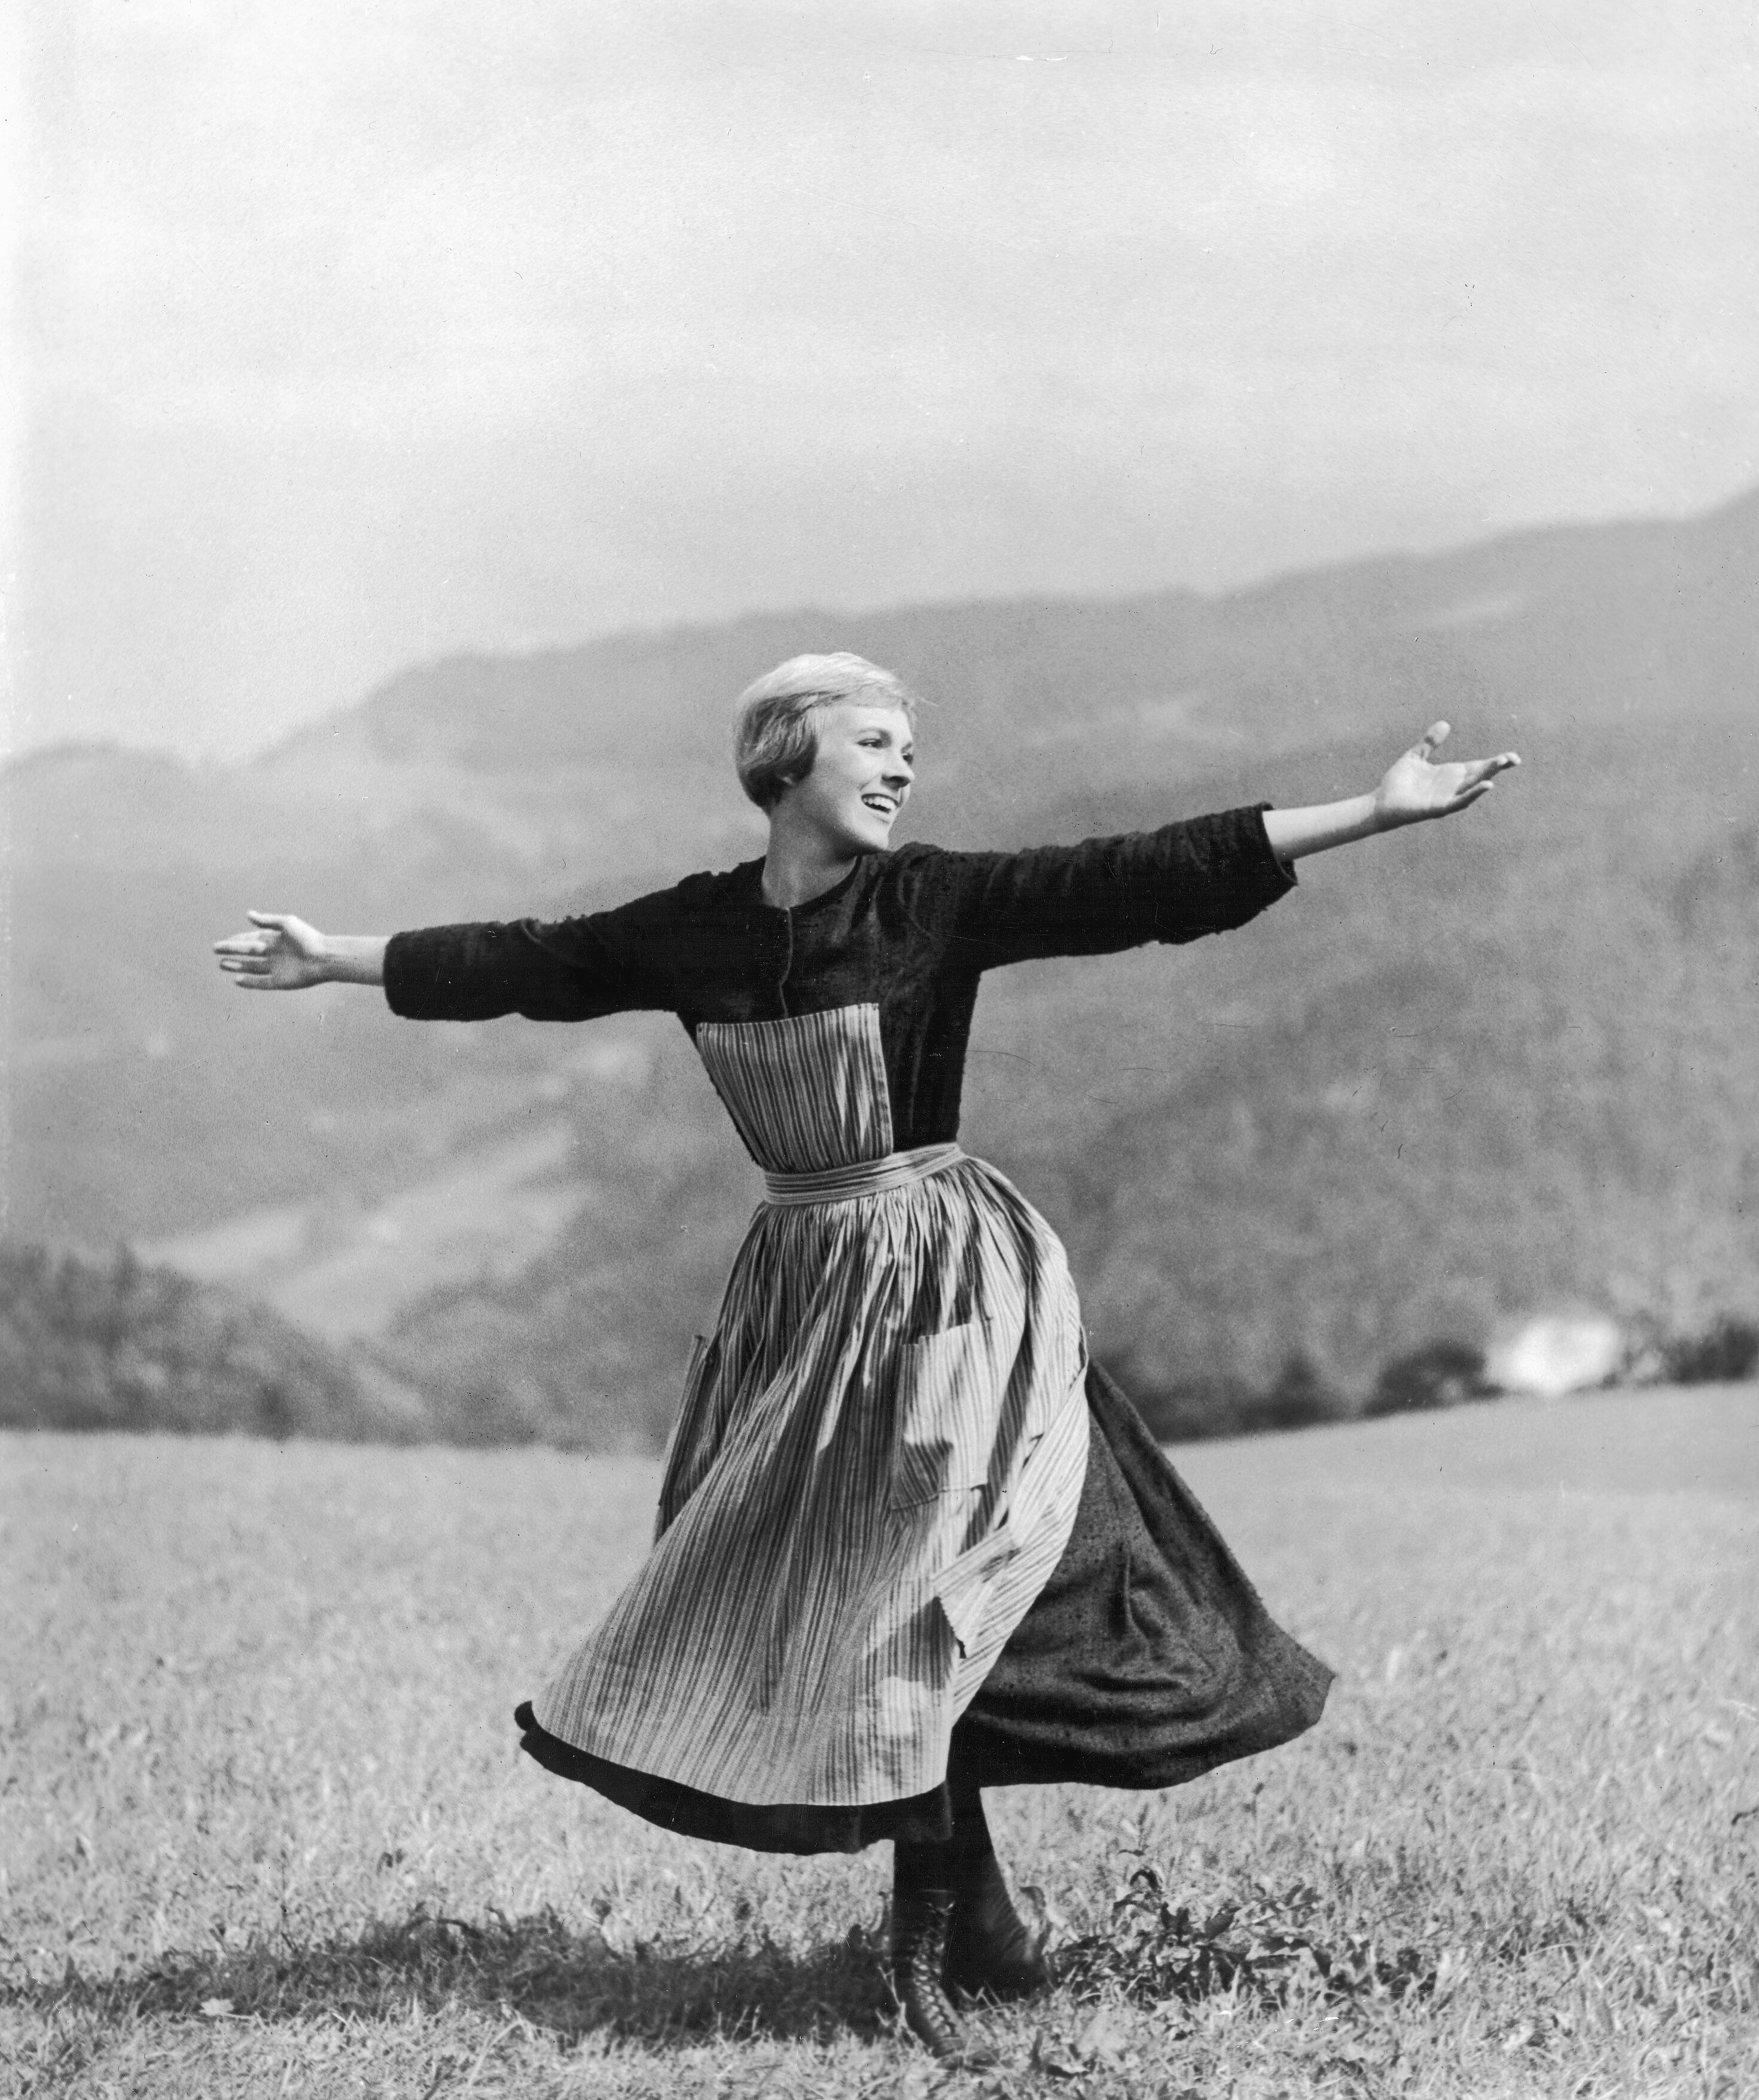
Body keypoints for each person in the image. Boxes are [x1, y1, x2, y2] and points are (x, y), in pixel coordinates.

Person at [215, 654, 1519, 2064]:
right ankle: (988, 1923)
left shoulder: (930, 900)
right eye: (873, 744)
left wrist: (1369, 814)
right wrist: (331, 956)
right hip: (799, 1299)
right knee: (837, 1605)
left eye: (907, 749)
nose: (901, 769)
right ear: (784, 764)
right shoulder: (696, 930)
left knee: (944, 1589)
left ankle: (929, 1948)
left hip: (945, 1284)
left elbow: (1129, 878)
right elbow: (532, 960)